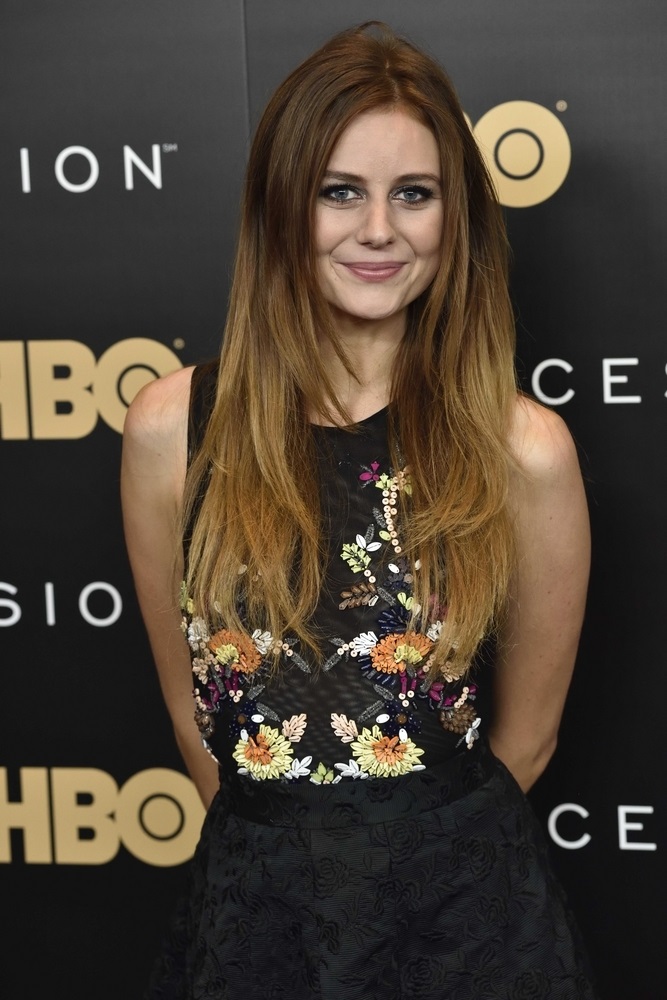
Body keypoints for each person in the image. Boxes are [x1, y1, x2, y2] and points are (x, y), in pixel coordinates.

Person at [121, 21, 596, 1000]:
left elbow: (528, 740)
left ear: (454, 217)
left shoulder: (522, 448)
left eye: (413, 193)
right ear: (280, 208)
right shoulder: (173, 428)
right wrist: (292, 865)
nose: (378, 229)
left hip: (467, 933)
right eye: (339, 191)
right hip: (252, 926)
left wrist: (394, 869)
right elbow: (188, 711)